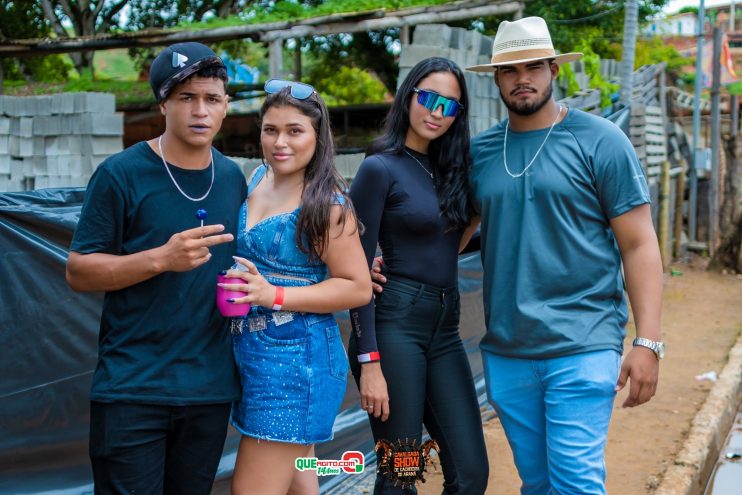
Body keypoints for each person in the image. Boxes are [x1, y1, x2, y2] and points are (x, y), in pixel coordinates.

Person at [464, 16, 665, 494]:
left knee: (575, 481)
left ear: (554, 70)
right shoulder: (480, 153)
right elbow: (451, 234)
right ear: (496, 78)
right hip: (507, 348)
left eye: (534, 66)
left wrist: (649, 342)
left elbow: (639, 243)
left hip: (584, 342)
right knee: (537, 483)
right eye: (510, 70)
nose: (523, 78)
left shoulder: (600, 141)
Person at [66, 42, 245, 493]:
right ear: (163, 103)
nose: (199, 111)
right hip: (132, 389)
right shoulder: (120, 174)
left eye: (212, 99)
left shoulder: (232, 178)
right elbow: (79, 271)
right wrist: (160, 260)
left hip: (208, 389)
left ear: (226, 107)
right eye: (186, 98)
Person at [218, 79, 371, 495]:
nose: (279, 142)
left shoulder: (327, 205)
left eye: (294, 131)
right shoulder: (258, 176)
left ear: (317, 137)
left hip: (296, 363)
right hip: (251, 352)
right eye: (271, 130)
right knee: (300, 482)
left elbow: (357, 287)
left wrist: (275, 294)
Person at [348, 57, 488, 495]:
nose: (436, 112)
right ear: (408, 96)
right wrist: (370, 363)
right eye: (427, 98)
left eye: (450, 105)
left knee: (470, 474)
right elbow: (355, 272)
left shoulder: (454, 172)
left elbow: (453, 242)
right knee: (401, 473)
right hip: (393, 326)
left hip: (444, 329)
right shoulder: (380, 167)